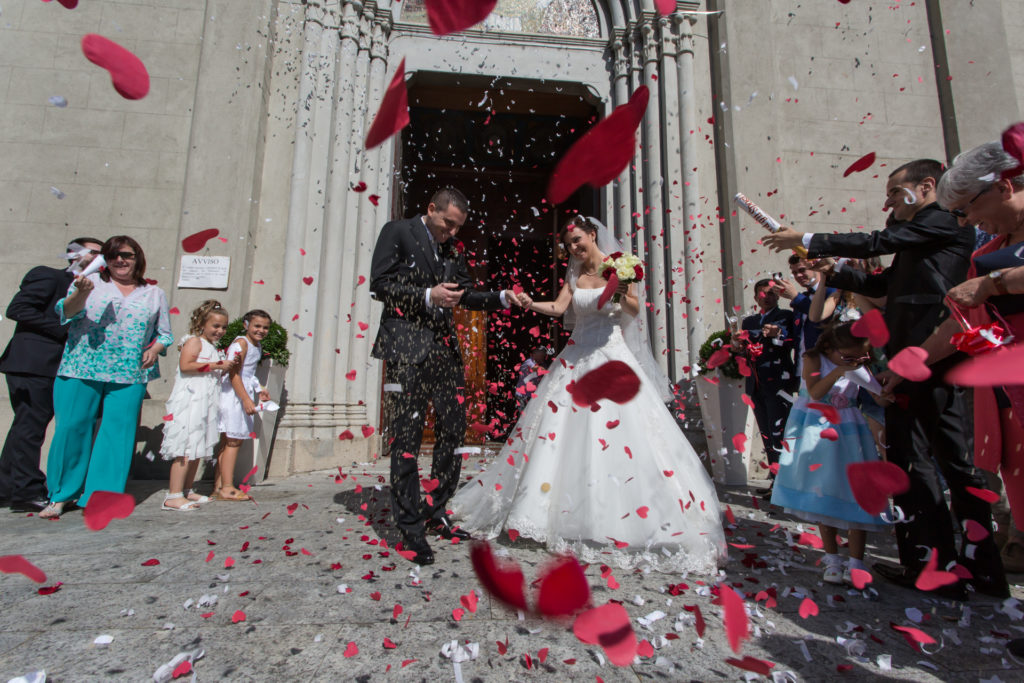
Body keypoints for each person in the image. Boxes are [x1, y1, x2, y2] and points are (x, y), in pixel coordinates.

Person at [764, 158, 1006, 600]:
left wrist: (805, 236)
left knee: (942, 460)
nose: (889, 200)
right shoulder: (923, 236)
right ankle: (936, 564)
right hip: (909, 359)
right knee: (917, 459)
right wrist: (829, 269)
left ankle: (968, 567)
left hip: (932, 355)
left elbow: (879, 241)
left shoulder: (941, 221)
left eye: (896, 191)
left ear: (927, 186)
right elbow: (883, 283)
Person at [450, 216, 726, 574]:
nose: (575, 249)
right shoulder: (574, 273)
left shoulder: (623, 266)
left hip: (612, 358)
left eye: (578, 241)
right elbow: (560, 309)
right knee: (560, 435)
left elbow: (633, 311)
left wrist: (623, 284)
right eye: (569, 246)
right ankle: (554, 513)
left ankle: (622, 517)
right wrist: (529, 303)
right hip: (575, 358)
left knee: (623, 436)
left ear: (593, 235)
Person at [370, 187, 523, 566]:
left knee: (453, 433)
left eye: (458, 228)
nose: (452, 234)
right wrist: (426, 295)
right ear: (431, 209)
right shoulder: (398, 231)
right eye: (447, 224)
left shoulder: (454, 249)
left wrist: (502, 296)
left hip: (444, 352)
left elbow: (466, 294)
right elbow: (380, 284)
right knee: (406, 438)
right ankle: (410, 528)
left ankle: (436, 513)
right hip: (407, 348)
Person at [901, 141, 1024, 583]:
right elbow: (960, 323)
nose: (969, 222)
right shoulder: (988, 247)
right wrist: (911, 361)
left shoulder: (991, 269)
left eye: (970, 209)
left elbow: (985, 292)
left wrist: (994, 283)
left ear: (1005, 187)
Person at [41, 236, 173, 519]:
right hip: (81, 367)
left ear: (137, 258)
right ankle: (61, 495)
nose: (120, 261)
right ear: (106, 260)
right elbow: (65, 314)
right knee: (72, 429)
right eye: (113, 256)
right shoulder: (87, 283)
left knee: (118, 434)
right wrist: (80, 294)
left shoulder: (154, 293)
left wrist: (156, 349)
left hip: (129, 372)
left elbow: (164, 334)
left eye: (126, 255)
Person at [771, 322, 888, 585]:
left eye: (860, 357)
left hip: (849, 429)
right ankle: (832, 559)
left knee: (856, 491)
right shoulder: (813, 358)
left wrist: (886, 386)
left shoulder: (855, 365)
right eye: (849, 356)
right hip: (818, 428)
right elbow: (815, 392)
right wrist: (840, 371)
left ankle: (857, 561)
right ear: (830, 348)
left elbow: (878, 396)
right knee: (823, 489)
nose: (855, 361)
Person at [0, 238, 104, 512]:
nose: (100, 258)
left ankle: (6, 486)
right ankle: (27, 491)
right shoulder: (49, 276)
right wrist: (64, 328)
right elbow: (18, 309)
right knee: (31, 426)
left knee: (25, 426)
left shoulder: (94, 288)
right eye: (94, 252)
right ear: (74, 254)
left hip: (53, 366)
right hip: (34, 363)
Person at [160, 301, 237, 510]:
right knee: (185, 446)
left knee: (197, 446)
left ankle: (186, 489)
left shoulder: (211, 346)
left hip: (204, 401)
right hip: (191, 401)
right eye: (216, 326)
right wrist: (215, 365)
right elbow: (186, 366)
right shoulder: (194, 341)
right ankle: (173, 494)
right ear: (202, 323)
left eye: (224, 327)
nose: (220, 331)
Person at [735, 279, 798, 497]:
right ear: (755, 298)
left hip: (778, 381)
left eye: (772, 293)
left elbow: (791, 340)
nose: (767, 297)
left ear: (778, 296)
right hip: (756, 383)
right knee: (766, 433)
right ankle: (775, 480)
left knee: (780, 431)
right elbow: (745, 349)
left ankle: (786, 482)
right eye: (763, 294)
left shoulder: (785, 317)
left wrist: (777, 334)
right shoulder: (749, 321)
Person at [216, 309, 272, 502]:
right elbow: (234, 374)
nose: (261, 330)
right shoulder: (241, 343)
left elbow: (249, 373)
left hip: (242, 393)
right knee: (233, 440)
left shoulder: (256, 345)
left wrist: (259, 389)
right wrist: (246, 400)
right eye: (257, 326)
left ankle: (219, 485)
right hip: (234, 396)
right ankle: (228, 487)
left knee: (228, 441)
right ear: (246, 325)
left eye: (265, 327)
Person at [514, 346, 548, 414]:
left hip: (531, 395)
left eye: (544, 355)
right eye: (541, 355)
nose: (543, 357)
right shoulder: (528, 362)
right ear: (535, 354)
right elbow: (538, 369)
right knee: (523, 416)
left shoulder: (541, 363)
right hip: (522, 395)